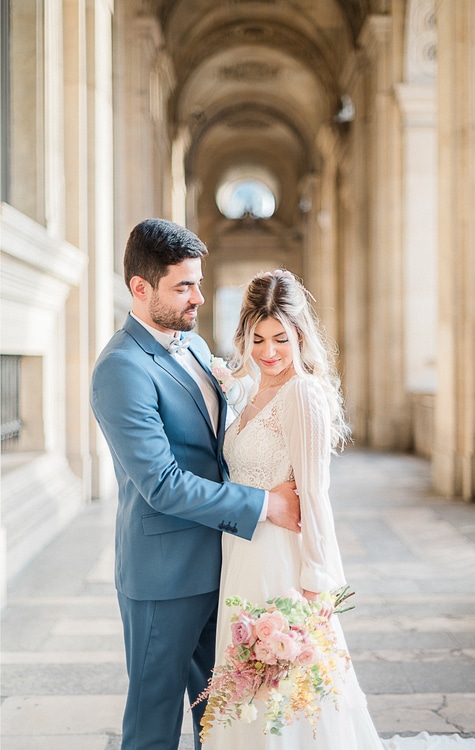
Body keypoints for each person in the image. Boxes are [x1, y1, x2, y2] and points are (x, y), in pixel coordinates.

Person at [90, 219, 302, 750]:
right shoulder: (121, 368)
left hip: (225, 565)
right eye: (183, 285)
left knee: (225, 717)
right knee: (153, 724)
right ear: (140, 288)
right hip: (164, 578)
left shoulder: (193, 345)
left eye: (198, 282)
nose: (199, 297)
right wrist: (265, 505)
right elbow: (161, 484)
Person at [202, 269, 383, 748]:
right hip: (241, 555)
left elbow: (315, 495)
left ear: (300, 334)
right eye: (257, 338)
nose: (269, 352)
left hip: (283, 561)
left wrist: (316, 585)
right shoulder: (247, 390)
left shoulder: (302, 394)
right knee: (246, 689)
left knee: (287, 692)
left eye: (281, 338)